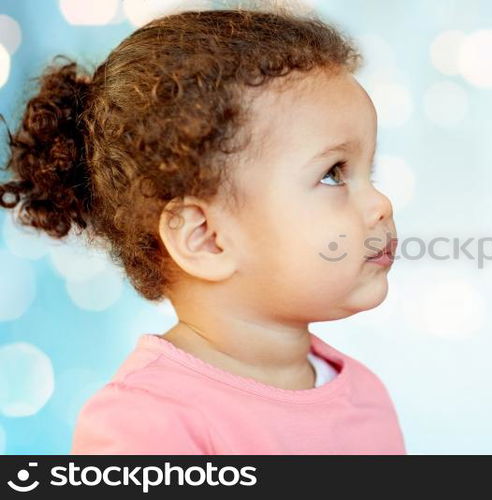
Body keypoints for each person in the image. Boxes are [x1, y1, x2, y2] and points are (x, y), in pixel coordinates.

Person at [0, 6, 404, 454]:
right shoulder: (145, 429)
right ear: (206, 238)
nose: (381, 205)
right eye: (333, 173)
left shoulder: (366, 398)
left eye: (370, 172)